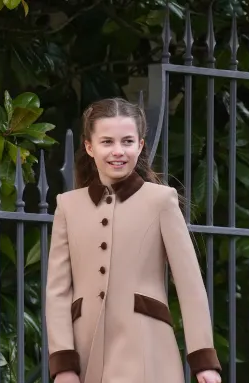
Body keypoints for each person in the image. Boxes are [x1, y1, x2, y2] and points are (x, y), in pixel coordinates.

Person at [45, 98, 221, 383]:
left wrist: (203, 360)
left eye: (127, 141)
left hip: (146, 346)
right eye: (107, 142)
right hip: (85, 346)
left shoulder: (161, 200)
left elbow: (190, 285)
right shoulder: (68, 206)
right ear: (90, 147)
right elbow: (57, 292)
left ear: (140, 146)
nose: (118, 151)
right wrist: (63, 363)